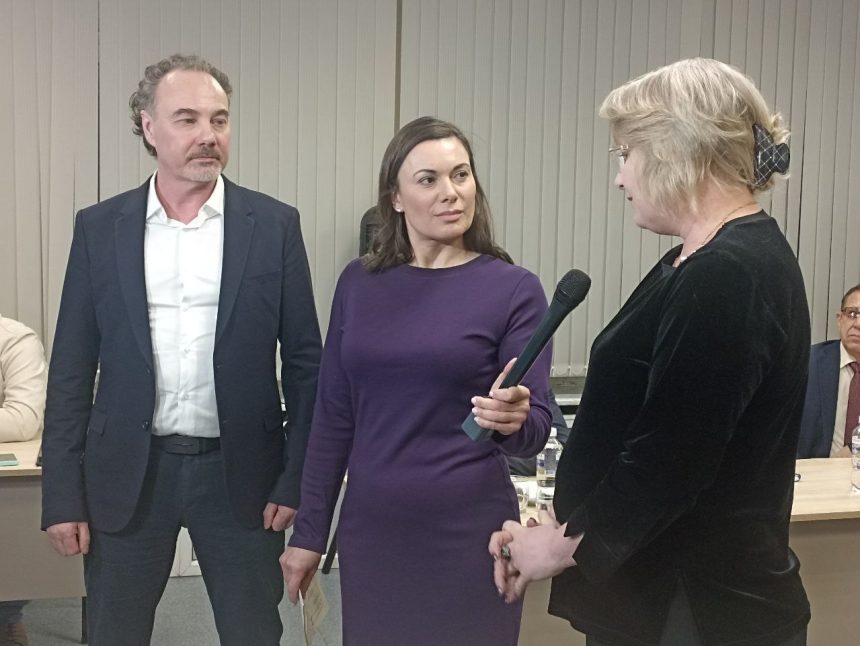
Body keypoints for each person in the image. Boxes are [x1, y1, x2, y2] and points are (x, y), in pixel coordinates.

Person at [489, 58, 811, 646]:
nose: (620, 177)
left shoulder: (729, 272)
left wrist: (559, 546)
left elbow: (670, 459)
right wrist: (565, 522)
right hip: (662, 592)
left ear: (675, 151)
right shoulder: (700, 259)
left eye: (626, 153)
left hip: (695, 604)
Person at [40, 54, 321, 646]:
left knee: (252, 633)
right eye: (187, 119)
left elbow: (305, 368)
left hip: (243, 476)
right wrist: (62, 492)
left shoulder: (273, 226)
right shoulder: (100, 229)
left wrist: (297, 478)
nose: (208, 135)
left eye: (219, 119)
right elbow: (70, 369)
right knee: (115, 632)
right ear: (148, 127)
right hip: (129, 473)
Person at [281, 116, 553, 646]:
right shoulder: (359, 283)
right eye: (428, 179)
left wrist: (513, 418)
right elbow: (333, 416)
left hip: (469, 532)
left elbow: (535, 428)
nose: (451, 192)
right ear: (396, 198)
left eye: (461, 175)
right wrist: (309, 531)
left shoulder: (514, 289)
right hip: (374, 530)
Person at [0, 314, 48, 646]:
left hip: (8, 481)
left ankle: (7, 614)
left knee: (14, 525)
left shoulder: (15, 339)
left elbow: (22, 419)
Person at [798, 284, 860, 458]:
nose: (858, 324)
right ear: (840, 319)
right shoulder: (807, 363)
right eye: (852, 313)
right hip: (813, 470)